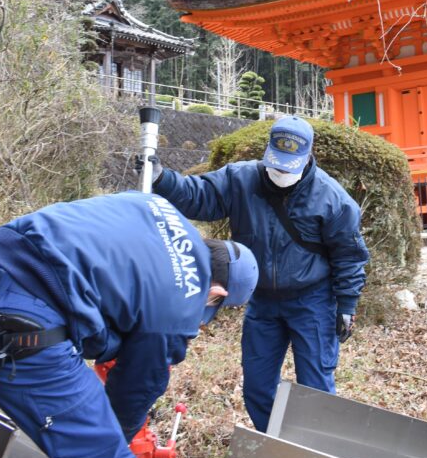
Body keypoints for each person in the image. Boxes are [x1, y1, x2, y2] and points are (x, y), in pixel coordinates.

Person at [0, 191, 258, 458]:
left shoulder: (156, 210)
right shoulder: (184, 299)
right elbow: (137, 387)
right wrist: (115, 440)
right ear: (217, 295)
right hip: (25, 328)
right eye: (213, 314)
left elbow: (100, 295)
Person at [150, 115, 370, 433]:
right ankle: (274, 445)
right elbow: (198, 195)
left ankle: (317, 453)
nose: (281, 173)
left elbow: (349, 255)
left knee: (316, 387)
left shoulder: (332, 198)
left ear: (308, 157)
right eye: (277, 164)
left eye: (288, 166)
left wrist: (347, 305)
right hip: (263, 302)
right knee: (257, 384)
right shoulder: (241, 180)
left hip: (313, 300)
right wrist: (161, 179)